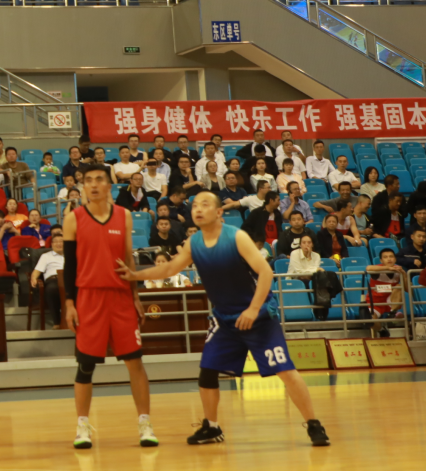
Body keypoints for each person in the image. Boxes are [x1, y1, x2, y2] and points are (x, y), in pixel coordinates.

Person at [124, 190, 330, 446]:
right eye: (195, 205)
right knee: (207, 372)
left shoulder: (236, 237)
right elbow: (169, 268)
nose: (198, 209)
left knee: (285, 370)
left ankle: (313, 424)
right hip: (224, 320)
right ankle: (211, 427)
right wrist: (135, 275)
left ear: (219, 212)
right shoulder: (194, 243)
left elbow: (266, 272)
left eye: (205, 204)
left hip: (258, 317)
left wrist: (252, 309)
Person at [63, 162, 155, 449]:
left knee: (135, 362)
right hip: (89, 298)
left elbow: (128, 258)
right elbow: (70, 266)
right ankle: (82, 426)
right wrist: (69, 303)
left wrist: (136, 295)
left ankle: (145, 424)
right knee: (85, 365)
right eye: (87, 180)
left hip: (120, 297)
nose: (92, 184)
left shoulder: (124, 215)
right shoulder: (73, 218)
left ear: (108, 185)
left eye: (98, 179)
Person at [29, 230, 66, 330]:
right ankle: (57, 322)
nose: (59, 244)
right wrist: (33, 278)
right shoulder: (46, 256)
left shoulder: (71, 255)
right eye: (56, 241)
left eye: (61, 241)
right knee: (51, 289)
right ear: (52, 244)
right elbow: (37, 271)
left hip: (68, 279)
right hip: (53, 280)